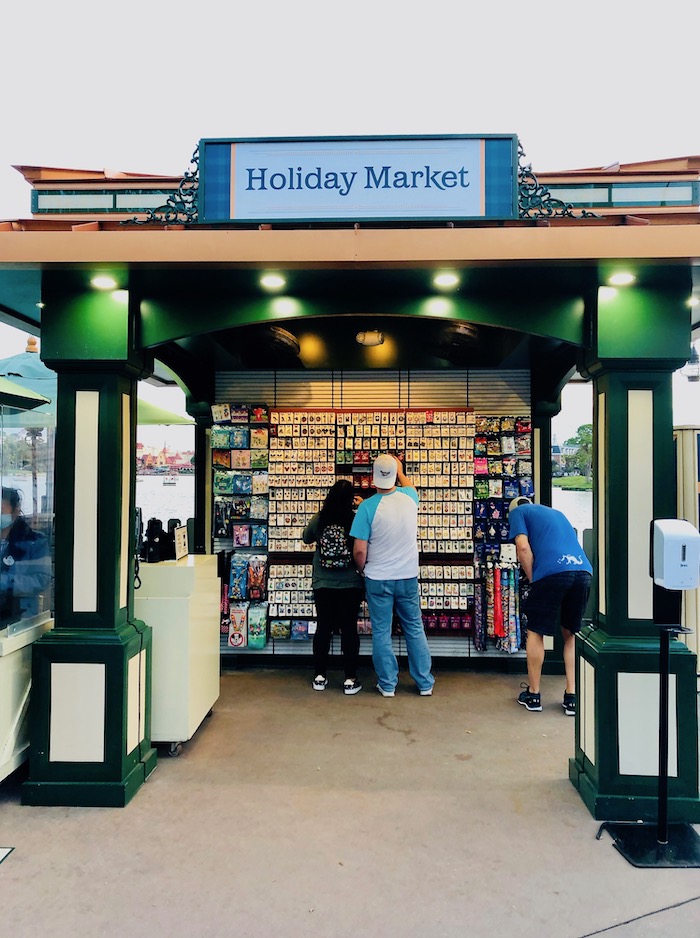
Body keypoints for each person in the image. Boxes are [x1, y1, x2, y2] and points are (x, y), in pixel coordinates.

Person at [350, 453, 435, 697]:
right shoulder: (410, 497)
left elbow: (359, 549)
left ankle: (387, 684)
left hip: (378, 578)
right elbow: (408, 484)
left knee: (381, 631)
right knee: (414, 628)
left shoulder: (366, 507)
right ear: (395, 475)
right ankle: (424, 683)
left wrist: (361, 568)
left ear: (373, 478)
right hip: (407, 576)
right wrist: (398, 469)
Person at [508, 496, 592, 715]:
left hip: (552, 573)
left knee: (535, 631)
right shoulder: (556, 513)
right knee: (570, 632)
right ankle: (571, 696)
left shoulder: (518, 512)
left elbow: (523, 548)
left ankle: (534, 695)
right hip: (583, 570)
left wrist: (533, 577)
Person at [302, 479, 364, 695]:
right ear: (351, 499)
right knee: (349, 629)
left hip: (323, 582)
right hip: (350, 583)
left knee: (324, 627)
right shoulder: (355, 519)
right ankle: (350, 678)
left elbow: (306, 538)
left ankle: (320, 676)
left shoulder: (320, 518)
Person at [0, 486, 52, 627]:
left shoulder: (34, 541)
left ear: (16, 511)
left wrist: (3, 582)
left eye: (1, 510)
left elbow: (42, 580)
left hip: (20, 619)